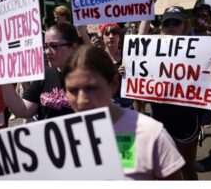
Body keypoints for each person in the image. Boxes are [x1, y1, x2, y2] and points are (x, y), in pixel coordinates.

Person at [63, 45, 185, 180]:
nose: (81, 101)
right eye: (73, 90)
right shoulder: (58, 138)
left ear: (114, 83)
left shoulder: (151, 134)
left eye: (91, 88)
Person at [150, 6, 211, 180]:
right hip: (161, 120)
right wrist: (128, 70)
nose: (171, 26)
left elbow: (208, 85)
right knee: (164, 172)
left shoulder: (199, 51)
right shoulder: (149, 51)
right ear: (161, 27)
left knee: (187, 169)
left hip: (186, 122)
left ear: (184, 26)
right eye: (167, 22)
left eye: (176, 22)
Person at [0, 23, 79, 120]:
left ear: (74, 48)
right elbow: (23, 110)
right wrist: (3, 81)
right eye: (45, 46)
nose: (47, 51)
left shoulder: (90, 77)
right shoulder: (45, 75)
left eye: (54, 46)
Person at [99, 23, 133, 109]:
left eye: (114, 33)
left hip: (126, 103)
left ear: (119, 37)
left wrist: (128, 71)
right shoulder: (97, 56)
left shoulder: (128, 54)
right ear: (102, 37)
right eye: (107, 34)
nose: (111, 36)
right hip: (105, 103)